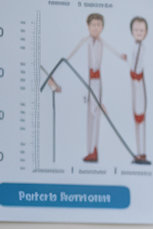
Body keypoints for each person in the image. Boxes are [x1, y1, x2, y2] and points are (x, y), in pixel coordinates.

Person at [51, 13, 126, 162]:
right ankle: (89, 150)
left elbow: (114, 53)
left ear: (102, 27)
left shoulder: (103, 43)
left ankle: (94, 150)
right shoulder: (84, 42)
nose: (96, 28)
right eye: (93, 25)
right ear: (88, 26)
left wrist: (121, 56)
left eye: (99, 25)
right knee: (89, 116)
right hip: (86, 82)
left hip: (99, 83)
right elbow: (69, 58)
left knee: (97, 114)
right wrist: (55, 78)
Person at [127, 17, 150, 165]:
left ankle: (141, 153)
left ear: (146, 32)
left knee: (140, 117)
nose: (138, 32)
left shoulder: (141, 48)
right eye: (136, 30)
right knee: (136, 118)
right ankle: (139, 152)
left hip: (138, 85)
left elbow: (136, 69)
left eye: (141, 30)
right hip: (134, 85)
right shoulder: (134, 47)